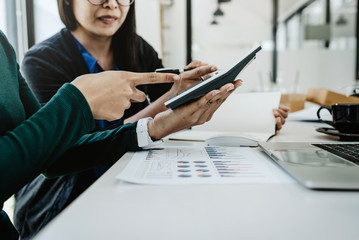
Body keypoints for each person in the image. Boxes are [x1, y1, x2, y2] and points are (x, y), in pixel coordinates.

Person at [14, 0, 289, 239]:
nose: (111, 4)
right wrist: (170, 98)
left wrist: (255, 116)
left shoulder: (137, 48)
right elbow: (71, 148)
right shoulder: (41, 60)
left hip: (126, 179)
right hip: (63, 194)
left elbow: (177, 110)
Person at [0, 29, 240, 240]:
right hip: (62, 207)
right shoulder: (43, 58)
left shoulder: (3, 45)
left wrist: (154, 128)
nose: (111, 4)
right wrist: (78, 102)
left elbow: (55, 153)